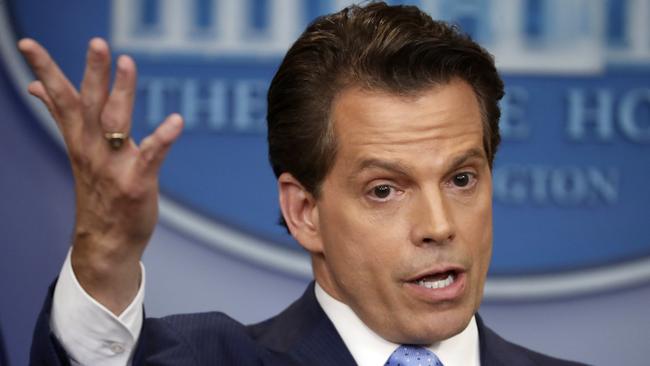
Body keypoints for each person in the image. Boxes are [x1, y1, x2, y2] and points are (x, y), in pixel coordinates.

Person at [24, 2, 586, 366]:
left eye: (462, 178)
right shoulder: (207, 358)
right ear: (304, 212)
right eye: (385, 190)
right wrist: (104, 257)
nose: (439, 226)